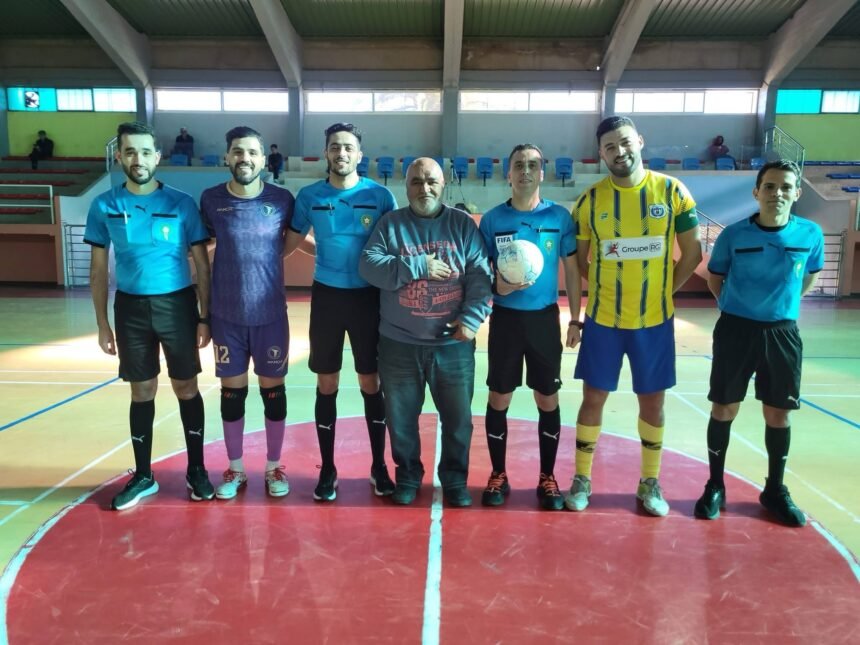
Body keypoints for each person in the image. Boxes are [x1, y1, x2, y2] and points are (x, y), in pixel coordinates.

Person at [566, 115, 702, 517]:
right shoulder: (589, 201)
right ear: (601, 154)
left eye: (624, 142)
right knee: (593, 399)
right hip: (603, 321)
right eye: (610, 146)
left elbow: (692, 253)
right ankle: (582, 478)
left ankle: (649, 482)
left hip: (654, 322)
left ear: (639, 141)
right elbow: (583, 262)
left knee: (653, 403)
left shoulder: (673, 191)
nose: (619, 151)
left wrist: (661, 292)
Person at [84, 121, 215, 510]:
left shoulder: (181, 203)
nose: (138, 159)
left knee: (186, 387)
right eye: (130, 152)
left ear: (157, 157)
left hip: (177, 306)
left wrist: (204, 317)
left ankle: (197, 469)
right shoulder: (104, 205)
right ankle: (143, 475)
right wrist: (102, 323)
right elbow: (97, 271)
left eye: (145, 152)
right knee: (141, 391)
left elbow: (202, 266)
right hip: (130, 309)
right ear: (119, 157)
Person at [694, 160, 822, 527]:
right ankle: (715, 485)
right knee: (724, 408)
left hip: (782, 333)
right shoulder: (734, 236)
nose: (777, 193)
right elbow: (715, 280)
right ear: (756, 192)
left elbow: (808, 278)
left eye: (785, 187)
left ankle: (775, 490)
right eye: (769, 186)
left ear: (797, 193)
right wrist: (736, 309)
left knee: (778, 413)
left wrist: (781, 307)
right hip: (736, 331)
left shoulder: (810, 234)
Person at [359, 158, 492, 507]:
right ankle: (407, 476)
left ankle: (455, 480)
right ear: (406, 188)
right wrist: (418, 265)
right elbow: (369, 266)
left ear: (443, 184)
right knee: (401, 420)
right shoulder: (391, 225)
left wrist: (472, 318)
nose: (424, 188)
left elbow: (480, 276)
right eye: (416, 182)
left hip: (453, 345)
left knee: (458, 420)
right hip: (399, 344)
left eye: (431, 181)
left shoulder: (462, 225)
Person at [286, 123, 398, 501]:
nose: (342, 153)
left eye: (349, 147)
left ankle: (379, 466)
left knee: (371, 382)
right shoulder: (310, 196)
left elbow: (394, 245)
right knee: (327, 382)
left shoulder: (379, 195)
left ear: (359, 155)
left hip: (369, 298)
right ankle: (328, 468)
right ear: (326, 152)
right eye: (335, 146)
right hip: (327, 299)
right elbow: (291, 242)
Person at [478, 144, 580, 511]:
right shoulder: (492, 220)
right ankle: (498, 474)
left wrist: (575, 318)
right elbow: (481, 272)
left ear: (542, 173)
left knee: (547, 398)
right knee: (499, 397)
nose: (525, 171)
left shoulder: (559, 217)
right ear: (508, 174)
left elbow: (572, 270)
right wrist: (498, 287)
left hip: (544, 320)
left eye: (533, 165)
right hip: (506, 319)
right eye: (518, 165)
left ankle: (547, 477)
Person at [200, 126, 295, 500]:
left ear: (264, 159)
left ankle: (274, 467)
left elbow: (290, 242)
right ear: (227, 156)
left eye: (252, 152)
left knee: (274, 392)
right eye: (238, 151)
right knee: (232, 393)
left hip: (270, 314)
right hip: (226, 315)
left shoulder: (282, 199)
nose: (245, 158)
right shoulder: (211, 199)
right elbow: (202, 249)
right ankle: (236, 468)